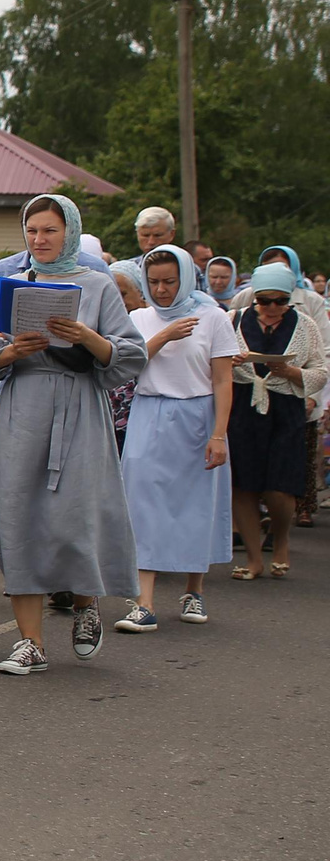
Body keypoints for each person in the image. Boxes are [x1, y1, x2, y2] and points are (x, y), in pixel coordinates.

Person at [0, 194, 146, 673]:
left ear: (69, 231)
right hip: (23, 408)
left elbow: (131, 354)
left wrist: (85, 337)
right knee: (18, 515)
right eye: (32, 231)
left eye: (49, 230)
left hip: (79, 407)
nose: (40, 240)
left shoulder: (98, 285)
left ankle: (86, 606)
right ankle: (31, 642)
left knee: (75, 514)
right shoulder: (12, 283)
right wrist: (13, 351)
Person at [113, 245, 234, 630]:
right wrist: (164, 335)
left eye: (170, 281)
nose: (162, 290)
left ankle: (193, 590)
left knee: (194, 504)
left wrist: (219, 433)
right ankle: (143, 602)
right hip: (149, 412)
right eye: (154, 282)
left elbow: (222, 378)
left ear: (186, 278)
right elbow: (128, 364)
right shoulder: (140, 317)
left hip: (198, 414)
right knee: (143, 504)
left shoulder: (213, 318)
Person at [225, 261, 326, 580]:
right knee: (244, 484)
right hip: (242, 404)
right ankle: (254, 559)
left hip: (286, 407)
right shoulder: (234, 319)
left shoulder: (305, 324)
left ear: (289, 299)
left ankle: (280, 538)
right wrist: (230, 361)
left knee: (280, 486)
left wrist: (294, 373)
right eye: (264, 300)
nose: (271, 308)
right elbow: (210, 360)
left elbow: (321, 370)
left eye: (280, 301)